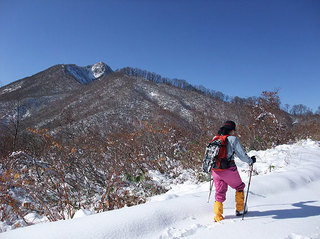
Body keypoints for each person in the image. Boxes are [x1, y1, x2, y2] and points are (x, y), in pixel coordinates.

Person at [212, 121, 256, 222]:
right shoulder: (232, 139)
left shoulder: (215, 138)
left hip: (215, 170)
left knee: (219, 191)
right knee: (239, 187)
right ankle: (240, 209)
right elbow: (242, 155)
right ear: (231, 130)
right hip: (228, 169)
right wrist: (251, 161)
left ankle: (218, 215)